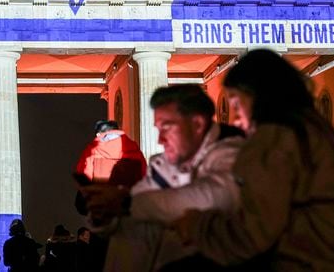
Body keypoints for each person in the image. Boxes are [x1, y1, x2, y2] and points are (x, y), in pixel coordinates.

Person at [171, 49, 334, 270]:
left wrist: (196, 225)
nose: (235, 119)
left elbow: (253, 232)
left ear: (257, 96)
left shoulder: (274, 139)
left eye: (236, 105)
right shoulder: (316, 130)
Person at [81, 84, 245, 271]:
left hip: (220, 258)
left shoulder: (235, 153)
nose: (159, 140)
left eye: (166, 128)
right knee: (133, 224)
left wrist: (126, 203)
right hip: (175, 257)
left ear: (197, 124)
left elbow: (212, 197)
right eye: (158, 129)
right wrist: (104, 213)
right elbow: (134, 206)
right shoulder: (165, 165)